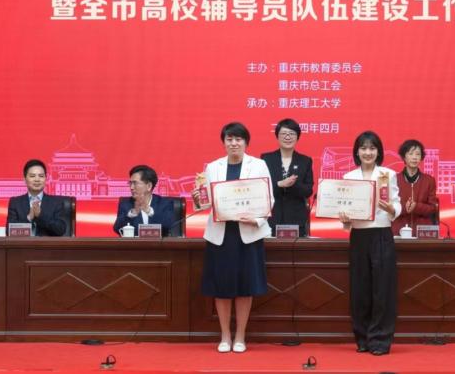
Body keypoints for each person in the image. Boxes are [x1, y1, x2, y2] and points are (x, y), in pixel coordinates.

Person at [192, 122, 273, 353]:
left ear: (246, 143)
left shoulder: (258, 165)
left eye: (238, 139)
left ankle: (240, 336)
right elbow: (206, 203)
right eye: (229, 139)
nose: (234, 143)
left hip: (248, 234)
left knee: (245, 286)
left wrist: (256, 219)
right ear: (224, 143)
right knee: (222, 286)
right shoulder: (213, 167)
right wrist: (198, 198)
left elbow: (268, 198)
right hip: (221, 235)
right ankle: (225, 335)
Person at [338, 131, 401, 356]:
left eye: (372, 148)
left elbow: (397, 204)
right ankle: (363, 338)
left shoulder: (388, 174)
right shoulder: (348, 177)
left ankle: (380, 340)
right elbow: (344, 209)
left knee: (382, 289)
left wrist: (391, 209)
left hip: (382, 234)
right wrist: (345, 219)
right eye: (363, 148)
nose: (368, 152)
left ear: (378, 152)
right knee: (360, 289)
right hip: (359, 236)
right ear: (357, 152)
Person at [260, 118, 314, 237]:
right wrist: (279, 184)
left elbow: (308, 190)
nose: (288, 137)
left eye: (292, 134)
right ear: (277, 136)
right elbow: (260, 188)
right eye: (283, 133)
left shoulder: (305, 161)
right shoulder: (266, 159)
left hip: (296, 218)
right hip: (271, 218)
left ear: (297, 137)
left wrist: (293, 184)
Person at [112, 164, 178, 237]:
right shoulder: (126, 204)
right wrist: (131, 214)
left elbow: (168, 225)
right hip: (134, 244)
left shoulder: (165, 203)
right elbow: (117, 228)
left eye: (135, 183)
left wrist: (149, 212)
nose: (131, 187)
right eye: (130, 183)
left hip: (158, 244)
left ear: (149, 186)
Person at [6, 159, 67, 236]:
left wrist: (40, 215)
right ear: (24, 179)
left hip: (47, 243)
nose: (37, 179)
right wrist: (29, 217)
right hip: (23, 244)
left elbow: (61, 230)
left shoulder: (56, 202)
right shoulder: (15, 203)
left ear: (46, 178)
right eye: (32, 176)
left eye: (41, 176)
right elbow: (9, 231)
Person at [392, 139, 439, 236]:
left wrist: (416, 207)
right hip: (398, 231)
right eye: (410, 154)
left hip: (422, 232)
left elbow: (433, 208)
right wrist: (405, 207)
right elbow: (390, 207)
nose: (414, 157)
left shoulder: (429, 180)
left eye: (418, 154)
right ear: (404, 156)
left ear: (421, 157)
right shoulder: (394, 179)